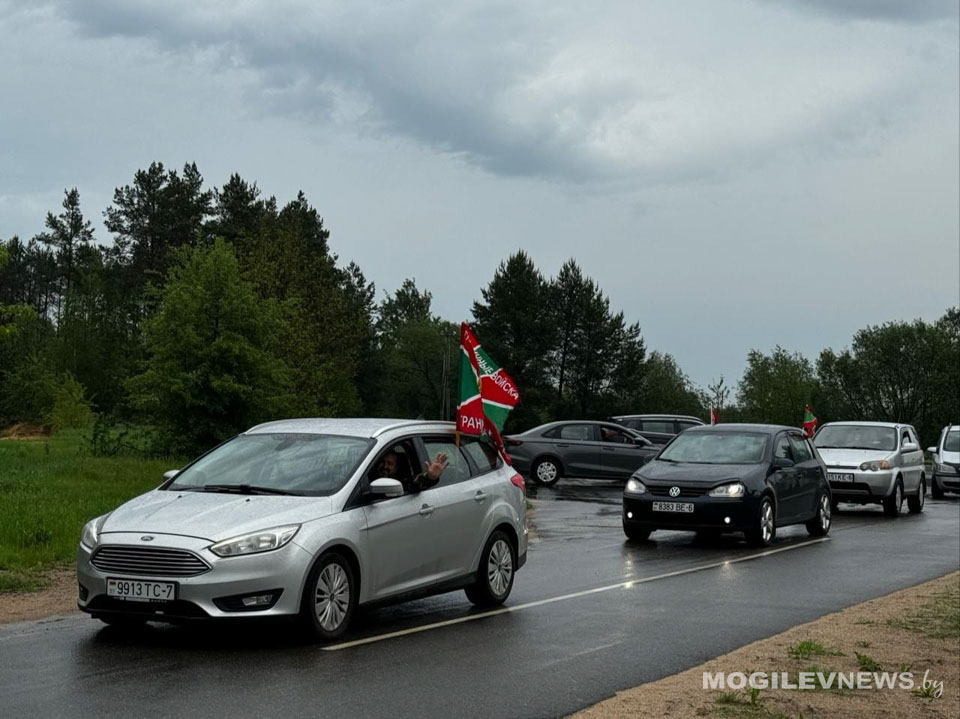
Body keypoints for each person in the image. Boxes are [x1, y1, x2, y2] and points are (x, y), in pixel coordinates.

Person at [373, 449, 449, 493]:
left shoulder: (402, 483)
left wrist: (429, 477)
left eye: (390, 463)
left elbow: (415, 482)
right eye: (382, 462)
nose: (385, 466)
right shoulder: (366, 475)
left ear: (396, 468)